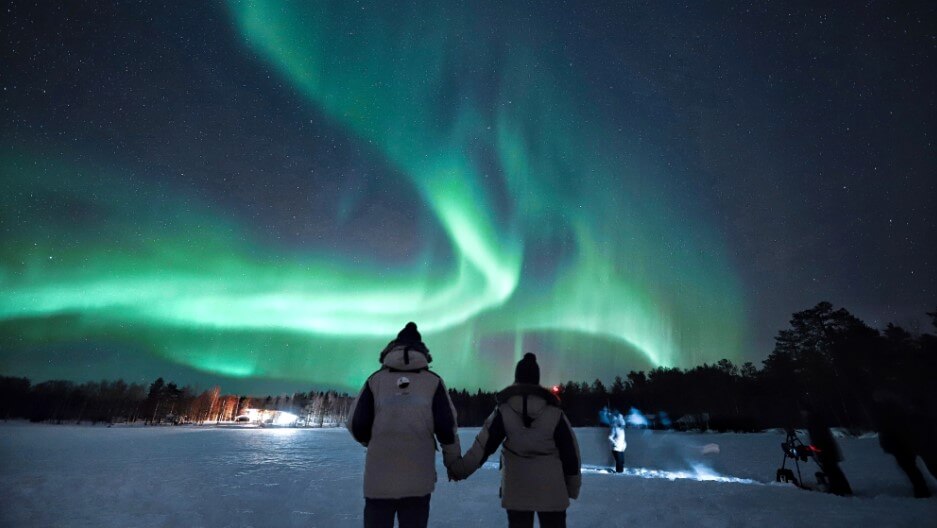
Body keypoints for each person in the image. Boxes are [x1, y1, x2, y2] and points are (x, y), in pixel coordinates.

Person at [347, 322, 461, 528]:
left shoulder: (375, 381)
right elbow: (447, 428)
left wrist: (371, 442)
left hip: (378, 479)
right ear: (422, 352)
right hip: (418, 480)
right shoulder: (433, 382)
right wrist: (452, 463)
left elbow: (357, 424)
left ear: (392, 349)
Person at [449, 353, 581, 528]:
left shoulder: (504, 410)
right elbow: (570, 453)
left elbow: (483, 446)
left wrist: (460, 470)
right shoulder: (555, 413)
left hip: (517, 492)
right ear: (537, 379)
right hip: (552, 493)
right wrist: (572, 488)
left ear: (517, 378)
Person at [873, 390, 937, 498]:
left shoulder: (889, 411)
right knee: (920, 465)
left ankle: (921, 490)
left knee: (913, 467)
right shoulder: (899, 408)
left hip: (904, 442)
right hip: (907, 441)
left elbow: (884, 427)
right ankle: (921, 489)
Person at [802, 404, 852, 496]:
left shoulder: (813, 420)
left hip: (825, 450)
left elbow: (817, 437)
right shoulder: (815, 419)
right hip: (826, 449)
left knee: (831, 469)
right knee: (832, 469)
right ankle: (843, 488)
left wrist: (816, 449)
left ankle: (839, 489)